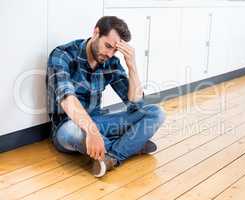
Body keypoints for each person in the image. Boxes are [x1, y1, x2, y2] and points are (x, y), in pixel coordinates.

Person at [46, 16, 165, 177]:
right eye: (108, 46)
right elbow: (67, 99)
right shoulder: (62, 55)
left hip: (101, 122)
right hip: (69, 126)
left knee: (155, 113)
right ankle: (130, 145)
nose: (110, 54)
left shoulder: (111, 62)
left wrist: (132, 66)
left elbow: (135, 105)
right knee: (73, 131)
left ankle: (112, 157)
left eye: (115, 50)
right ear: (96, 33)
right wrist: (92, 131)